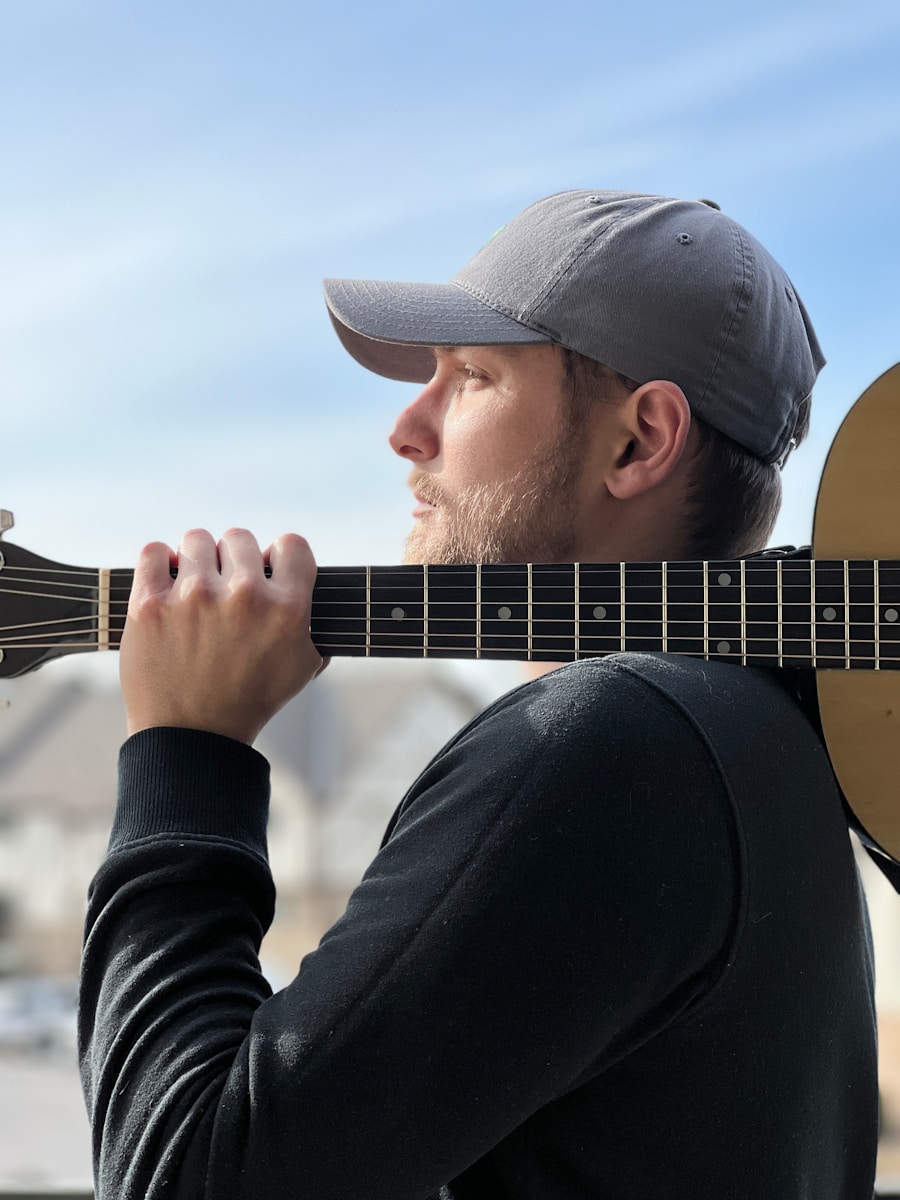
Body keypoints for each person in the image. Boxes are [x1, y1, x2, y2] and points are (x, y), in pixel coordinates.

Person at [78, 190, 878, 1198]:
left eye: (469, 377)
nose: (407, 430)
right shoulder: (761, 733)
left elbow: (185, 1178)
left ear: (639, 441)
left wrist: (184, 757)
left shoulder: (604, 743)